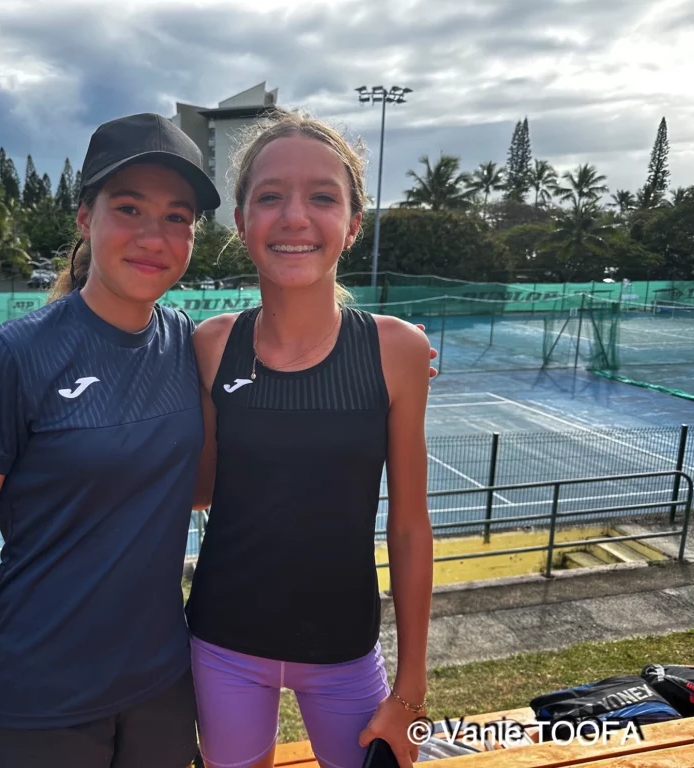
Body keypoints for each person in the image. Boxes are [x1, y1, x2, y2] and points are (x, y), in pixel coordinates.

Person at [0, 113, 221, 768]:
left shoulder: (185, 346)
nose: (153, 236)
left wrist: (376, 366)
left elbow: (195, 489)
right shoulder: (13, 357)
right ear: (85, 217)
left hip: (163, 688)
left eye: (177, 217)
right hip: (41, 702)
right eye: (130, 207)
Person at [186, 112, 433, 768]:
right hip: (224, 646)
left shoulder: (397, 351)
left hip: (345, 652)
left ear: (353, 224)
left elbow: (409, 528)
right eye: (270, 196)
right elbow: (201, 488)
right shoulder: (211, 346)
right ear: (240, 222)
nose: (294, 215)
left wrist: (409, 692)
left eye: (322, 196)